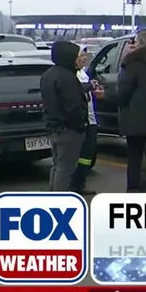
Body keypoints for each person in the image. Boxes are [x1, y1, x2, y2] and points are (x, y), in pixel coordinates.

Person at [40, 41, 90, 192]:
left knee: (57, 165)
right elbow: (72, 106)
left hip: (54, 127)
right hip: (68, 129)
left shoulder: (48, 75)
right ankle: (60, 201)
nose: (81, 59)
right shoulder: (67, 78)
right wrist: (81, 125)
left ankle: (54, 195)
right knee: (66, 168)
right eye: (78, 56)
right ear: (68, 57)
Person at [117, 29, 146, 192]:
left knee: (135, 156)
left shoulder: (132, 63)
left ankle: (135, 189)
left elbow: (124, 91)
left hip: (135, 117)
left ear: (140, 43)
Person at [71, 50, 104, 195]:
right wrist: (89, 87)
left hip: (91, 119)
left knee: (88, 155)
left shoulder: (83, 73)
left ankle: (80, 184)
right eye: (80, 56)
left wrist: (94, 92)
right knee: (78, 155)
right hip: (82, 121)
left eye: (85, 56)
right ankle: (72, 185)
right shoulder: (72, 75)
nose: (83, 59)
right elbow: (76, 92)